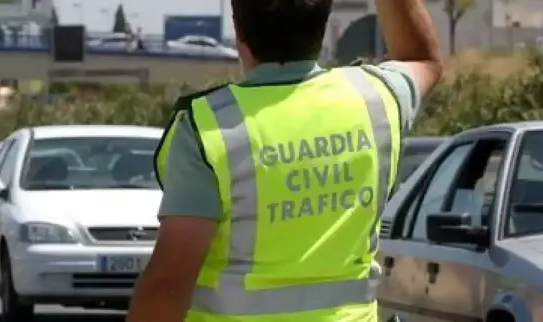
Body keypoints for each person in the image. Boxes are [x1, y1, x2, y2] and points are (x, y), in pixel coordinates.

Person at [126, 0, 442, 321]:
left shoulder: (210, 127)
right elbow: (421, 57)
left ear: (238, 29)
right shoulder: (376, 97)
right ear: (323, 24)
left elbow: (168, 281)